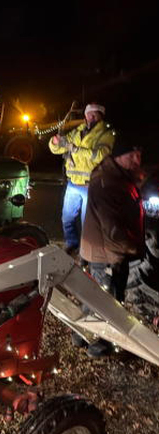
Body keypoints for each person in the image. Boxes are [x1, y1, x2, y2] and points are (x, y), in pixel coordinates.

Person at [79, 139, 144, 357]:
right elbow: (112, 229)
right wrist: (129, 250)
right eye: (132, 155)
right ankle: (100, 345)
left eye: (139, 155)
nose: (137, 160)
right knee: (108, 301)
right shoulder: (107, 182)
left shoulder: (117, 176)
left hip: (105, 251)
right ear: (118, 156)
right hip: (107, 254)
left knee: (95, 296)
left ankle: (81, 336)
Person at [49, 103, 116, 255]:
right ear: (85, 115)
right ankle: (72, 244)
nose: (91, 116)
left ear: (101, 116)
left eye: (95, 114)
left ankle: (87, 250)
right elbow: (58, 148)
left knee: (89, 223)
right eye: (88, 113)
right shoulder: (77, 132)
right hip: (73, 184)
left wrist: (76, 149)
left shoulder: (107, 133)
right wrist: (54, 142)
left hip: (91, 186)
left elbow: (100, 155)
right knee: (67, 218)